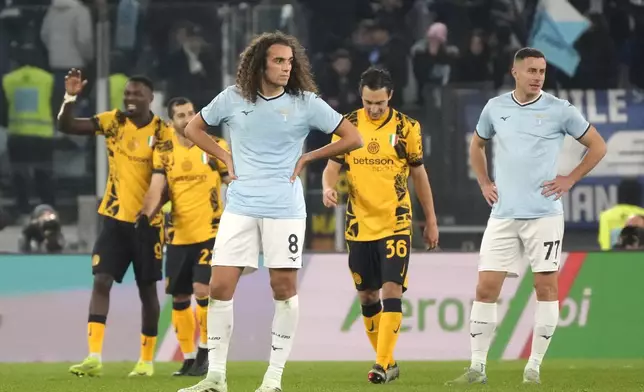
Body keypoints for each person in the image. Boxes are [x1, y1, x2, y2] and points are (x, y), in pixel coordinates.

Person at [178, 31, 363, 392]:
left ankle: (273, 378)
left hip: (284, 209)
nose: (285, 67)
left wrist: (310, 155)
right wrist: (225, 156)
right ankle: (216, 377)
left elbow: (353, 138)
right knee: (218, 286)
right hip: (241, 205)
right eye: (278, 60)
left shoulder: (306, 102)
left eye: (290, 61)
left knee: (282, 288)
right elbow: (192, 127)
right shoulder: (233, 99)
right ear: (259, 63)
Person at [447, 47, 607, 385]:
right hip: (504, 215)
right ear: (515, 72)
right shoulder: (496, 108)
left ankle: (533, 366)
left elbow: (598, 145)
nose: (538, 77)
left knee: (545, 286)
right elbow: (476, 145)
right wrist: (484, 181)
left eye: (542, 71)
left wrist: (570, 178)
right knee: (486, 287)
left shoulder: (559, 110)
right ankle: (477, 368)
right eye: (531, 70)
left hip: (543, 215)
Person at [321, 67, 439, 384]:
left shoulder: (407, 127)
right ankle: (388, 362)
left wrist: (430, 219)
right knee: (367, 297)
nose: (373, 109)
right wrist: (327, 187)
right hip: (358, 224)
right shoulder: (348, 125)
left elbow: (419, 174)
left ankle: (382, 363)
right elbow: (332, 166)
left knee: (391, 289)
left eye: (379, 103)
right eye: (368, 102)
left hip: (395, 221)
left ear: (390, 97)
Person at [58, 69, 172, 377]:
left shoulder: (164, 132)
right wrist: (70, 97)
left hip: (147, 225)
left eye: (137, 93)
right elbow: (67, 125)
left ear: (151, 98)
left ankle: (146, 361)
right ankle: (94, 356)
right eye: (127, 93)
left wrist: (151, 212)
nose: (130, 97)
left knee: (147, 290)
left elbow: (166, 182)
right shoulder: (113, 121)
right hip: (113, 219)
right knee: (101, 280)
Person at [140, 97, 231, 377]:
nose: (188, 118)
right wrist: (145, 217)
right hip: (178, 236)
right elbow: (157, 187)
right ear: (171, 122)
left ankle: (205, 351)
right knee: (179, 298)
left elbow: (234, 180)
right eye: (181, 115)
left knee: (203, 291)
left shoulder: (215, 146)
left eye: (191, 113)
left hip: (210, 232)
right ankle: (189, 358)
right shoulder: (164, 152)